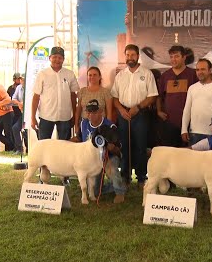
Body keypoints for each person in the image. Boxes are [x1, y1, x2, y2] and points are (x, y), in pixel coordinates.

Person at [111, 44, 158, 187]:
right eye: (127, 55)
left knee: (140, 147)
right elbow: (114, 97)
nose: (130, 58)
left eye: (133, 55)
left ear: (138, 56)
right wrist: (121, 109)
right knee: (124, 146)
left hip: (141, 114)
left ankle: (142, 177)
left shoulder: (147, 73)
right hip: (123, 114)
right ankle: (125, 177)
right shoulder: (120, 75)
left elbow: (152, 96)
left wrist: (137, 107)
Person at [79, 99, 127, 203]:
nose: (91, 115)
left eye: (94, 112)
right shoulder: (83, 124)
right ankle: (116, 184)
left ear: (101, 111)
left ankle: (119, 192)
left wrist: (112, 148)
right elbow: (79, 140)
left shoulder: (110, 126)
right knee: (95, 192)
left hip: (108, 157)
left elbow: (120, 149)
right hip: (91, 161)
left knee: (113, 169)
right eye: (89, 112)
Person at [31, 46, 79, 141]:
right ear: (50, 58)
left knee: (65, 146)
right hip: (46, 116)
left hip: (65, 116)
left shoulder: (70, 74)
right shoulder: (42, 74)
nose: (57, 60)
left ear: (63, 59)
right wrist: (33, 117)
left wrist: (74, 114)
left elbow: (73, 96)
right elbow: (36, 97)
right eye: (54, 57)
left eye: (60, 57)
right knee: (44, 145)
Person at [156, 45, 198, 147]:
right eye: (171, 57)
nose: (173, 59)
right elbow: (159, 96)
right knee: (171, 153)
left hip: (189, 123)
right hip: (169, 122)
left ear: (184, 57)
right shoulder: (165, 76)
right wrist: (159, 111)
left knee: (187, 153)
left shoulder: (193, 74)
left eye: (176, 56)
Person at [181, 58, 212, 146]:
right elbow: (187, 110)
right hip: (193, 133)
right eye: (197, 69)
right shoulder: (192, 88)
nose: (199, 72)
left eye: (203, 69)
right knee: (194, 160)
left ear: (210, 70)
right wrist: (184, 129)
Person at [74, 66, 113, 138]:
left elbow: (109, 113)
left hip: (101, 126)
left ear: (99, 77)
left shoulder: (106, 92)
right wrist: (76, 125)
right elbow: (78, 111)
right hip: (84, 126)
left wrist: (108, 129)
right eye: (90, 75)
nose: (92, 77)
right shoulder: (82, 91)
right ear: (87, 77)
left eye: (95, 75)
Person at [11, 75, 28, 154]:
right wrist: (19, 103)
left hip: (31, 113)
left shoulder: (32, 87)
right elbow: (13, 99)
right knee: (15, 128)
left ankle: (29, 149)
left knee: (28, 131)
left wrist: (25, 104)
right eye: (21, 79)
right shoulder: (18, 88)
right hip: (22, 113)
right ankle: (19, 149)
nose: (22, 81)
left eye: (24, 79)